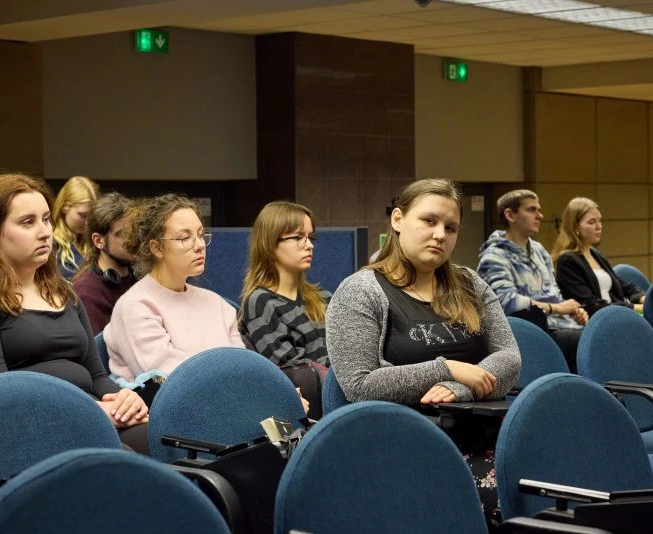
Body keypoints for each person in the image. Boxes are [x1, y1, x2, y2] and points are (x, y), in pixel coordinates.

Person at [326, 179, 521, 527]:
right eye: (428, 221)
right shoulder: (360, 291)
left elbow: (508, 358)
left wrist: (460, 388)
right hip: (405, 444)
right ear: (398, 220)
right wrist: (449, 368)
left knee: (561, 482)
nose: (440, 235)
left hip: (487, 435)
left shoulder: (470, 284)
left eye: (450, 227)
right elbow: (359, 385)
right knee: (513, 500)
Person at [0, 174, 148, 452]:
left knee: (161, 441)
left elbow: (97, 377)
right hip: (23, 431)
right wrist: (88, 411)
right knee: (124, 460)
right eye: (27, 222)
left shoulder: (65, 293)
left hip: (86, 415)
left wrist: (124, 399)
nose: (45, 232)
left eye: (46, 219)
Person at [104, 194, 245, 383]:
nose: (200, 245)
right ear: (157, 248)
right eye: (185, 237)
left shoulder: (217, 304)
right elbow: (173, 379)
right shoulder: (136, 306)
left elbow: (243, 366)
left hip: (227, 398)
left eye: (201, 235)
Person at [476, 189, 587, 372]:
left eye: (539, 209)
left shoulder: (539, 250)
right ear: (510, 215)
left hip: (560, 326)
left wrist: (573, 312)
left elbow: (554, 294)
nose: (540, 216)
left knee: (602, 335)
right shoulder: (494, 256)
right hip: (529, 333)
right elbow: (506, 303)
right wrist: (558, 308)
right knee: (589, 343)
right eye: (531, 210)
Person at [240, 201, 331, 371]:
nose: (309, 245)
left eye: (310, 237)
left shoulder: (324, 297)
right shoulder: (261, 303)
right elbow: (295, 373)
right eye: (298, 237)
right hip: (305, 395)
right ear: (270, 244)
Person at [552, 197, 645, 317]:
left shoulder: (595, 254)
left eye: (600, 221)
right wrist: (635, 308)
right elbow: (591, 304)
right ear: (575, 227)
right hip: (599, 320)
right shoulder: (567, 261)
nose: (599, 226)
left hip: (617, 313)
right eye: (591, 222)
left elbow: (622, 284)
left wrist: (643, 298)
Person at [73, 192, 136, 334]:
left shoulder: (138, 277)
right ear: (99, 241)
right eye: (123, 234)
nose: (132, 240)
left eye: (134, 232)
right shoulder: (88, 291)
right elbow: (100, 353)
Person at [53, 176, 99, 279]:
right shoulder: (51, 245)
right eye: (82, 215)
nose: (87, 222)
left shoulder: (90, 242)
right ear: (65, 208)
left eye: (90, 216)